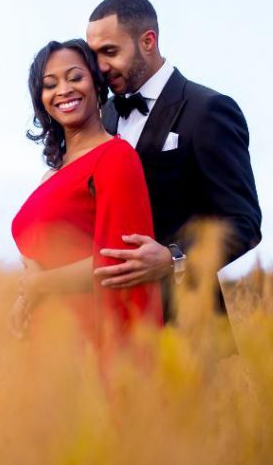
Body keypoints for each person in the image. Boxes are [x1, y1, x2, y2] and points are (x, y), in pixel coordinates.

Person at [84, 0, 262, 330]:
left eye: (110, 51)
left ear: (148, 41)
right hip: (110, 327)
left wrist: (172, 258)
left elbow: (244, 222)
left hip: (187, 329)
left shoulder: (208, 110)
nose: (101, 67)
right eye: (94, 56)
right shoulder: (102, 116)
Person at [11, 39, 163, 348]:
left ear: (96, 83)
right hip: (47, 338)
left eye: (75, 77)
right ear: (41, 100)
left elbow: (121, 262)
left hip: (91, 338)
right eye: (50, 84)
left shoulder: (115, 156)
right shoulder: (50, 176)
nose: (63, 90)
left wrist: (41, 285)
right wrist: (24, 297)